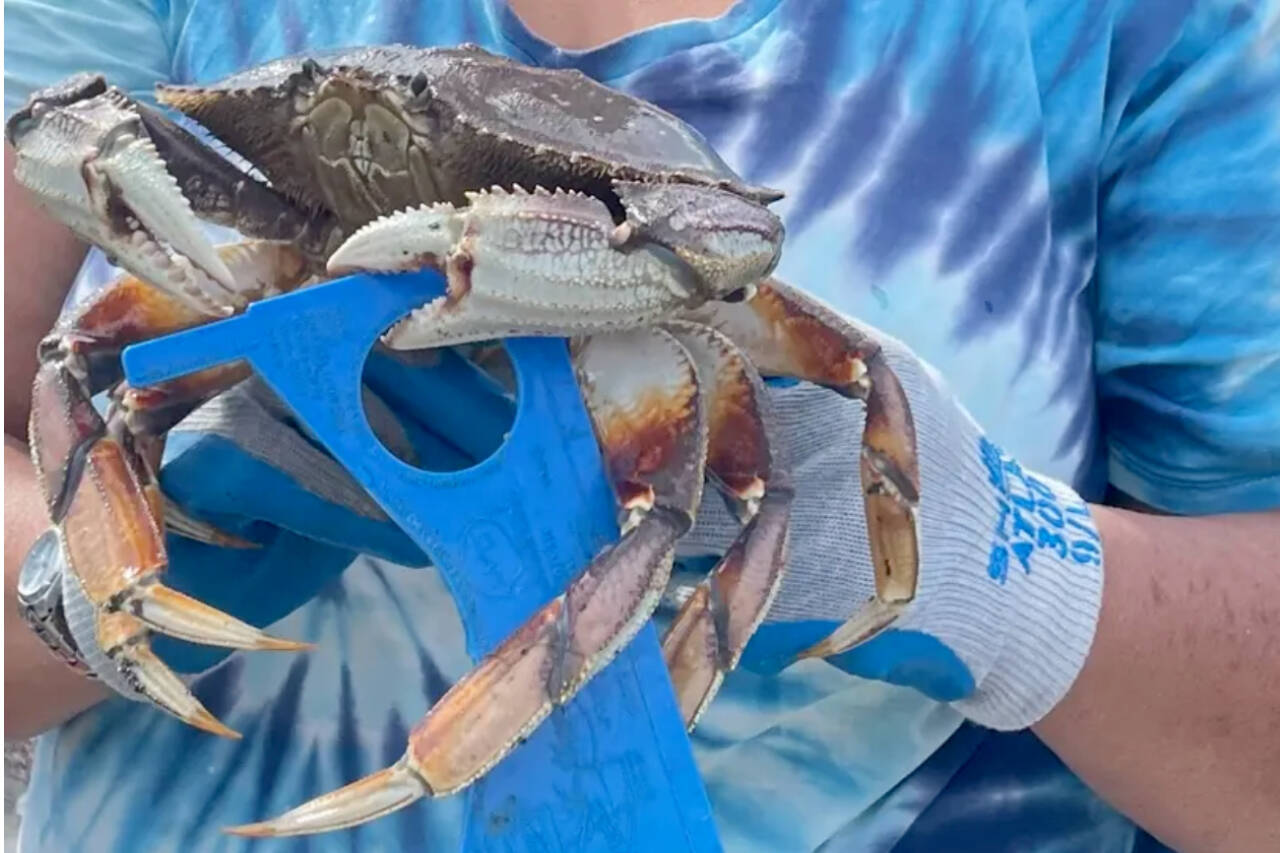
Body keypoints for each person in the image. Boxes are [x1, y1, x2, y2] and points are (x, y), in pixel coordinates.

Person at [5, 1, 1278, 851]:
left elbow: (730, 252)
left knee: (667, 503)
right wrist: (93, 576)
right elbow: (56, 228)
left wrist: (1002, 575)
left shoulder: (1146, 33)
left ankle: (428, 763)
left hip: (647, 300)